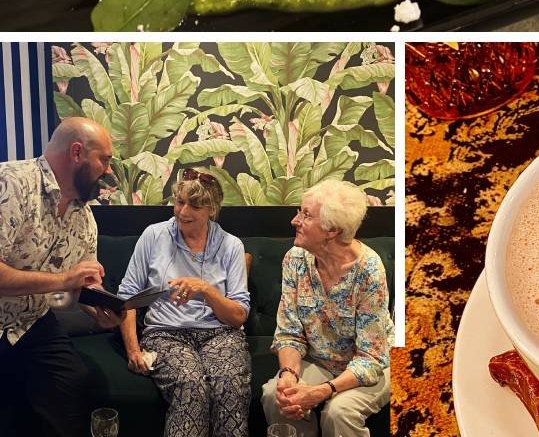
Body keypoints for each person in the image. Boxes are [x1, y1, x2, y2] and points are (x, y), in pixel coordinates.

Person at [0, 117, 124, 437]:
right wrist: (63, 279)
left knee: (73, 384)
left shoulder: (84, 218)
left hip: (33, 322)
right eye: (105, 159)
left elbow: (83, 284)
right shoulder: (11, 184)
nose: (108, 170)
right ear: (77, 152)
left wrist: (98, 309)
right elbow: (67, 279)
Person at [118, 167, 251, 437]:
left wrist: (206, 290)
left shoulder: (231, 246)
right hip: (165, 334)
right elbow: (127, 297)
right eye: (180, 201)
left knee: (230, 386)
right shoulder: (154, 236)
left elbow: (238, 316)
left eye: (195, 205)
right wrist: (133, 350)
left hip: (221, 334)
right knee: (190, 386)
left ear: (212, 210)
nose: (183, 211)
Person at [261, 179, 393, 437]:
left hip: (369, 366)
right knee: (276, 396)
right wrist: (288, 375)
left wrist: (320, 391)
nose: (295, 220)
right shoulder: (295, 259)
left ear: (331, 230)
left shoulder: (369, 270)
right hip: (320, 360)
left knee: (338, 412)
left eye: (306, 215)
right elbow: (289, 332)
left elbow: (371, 358)